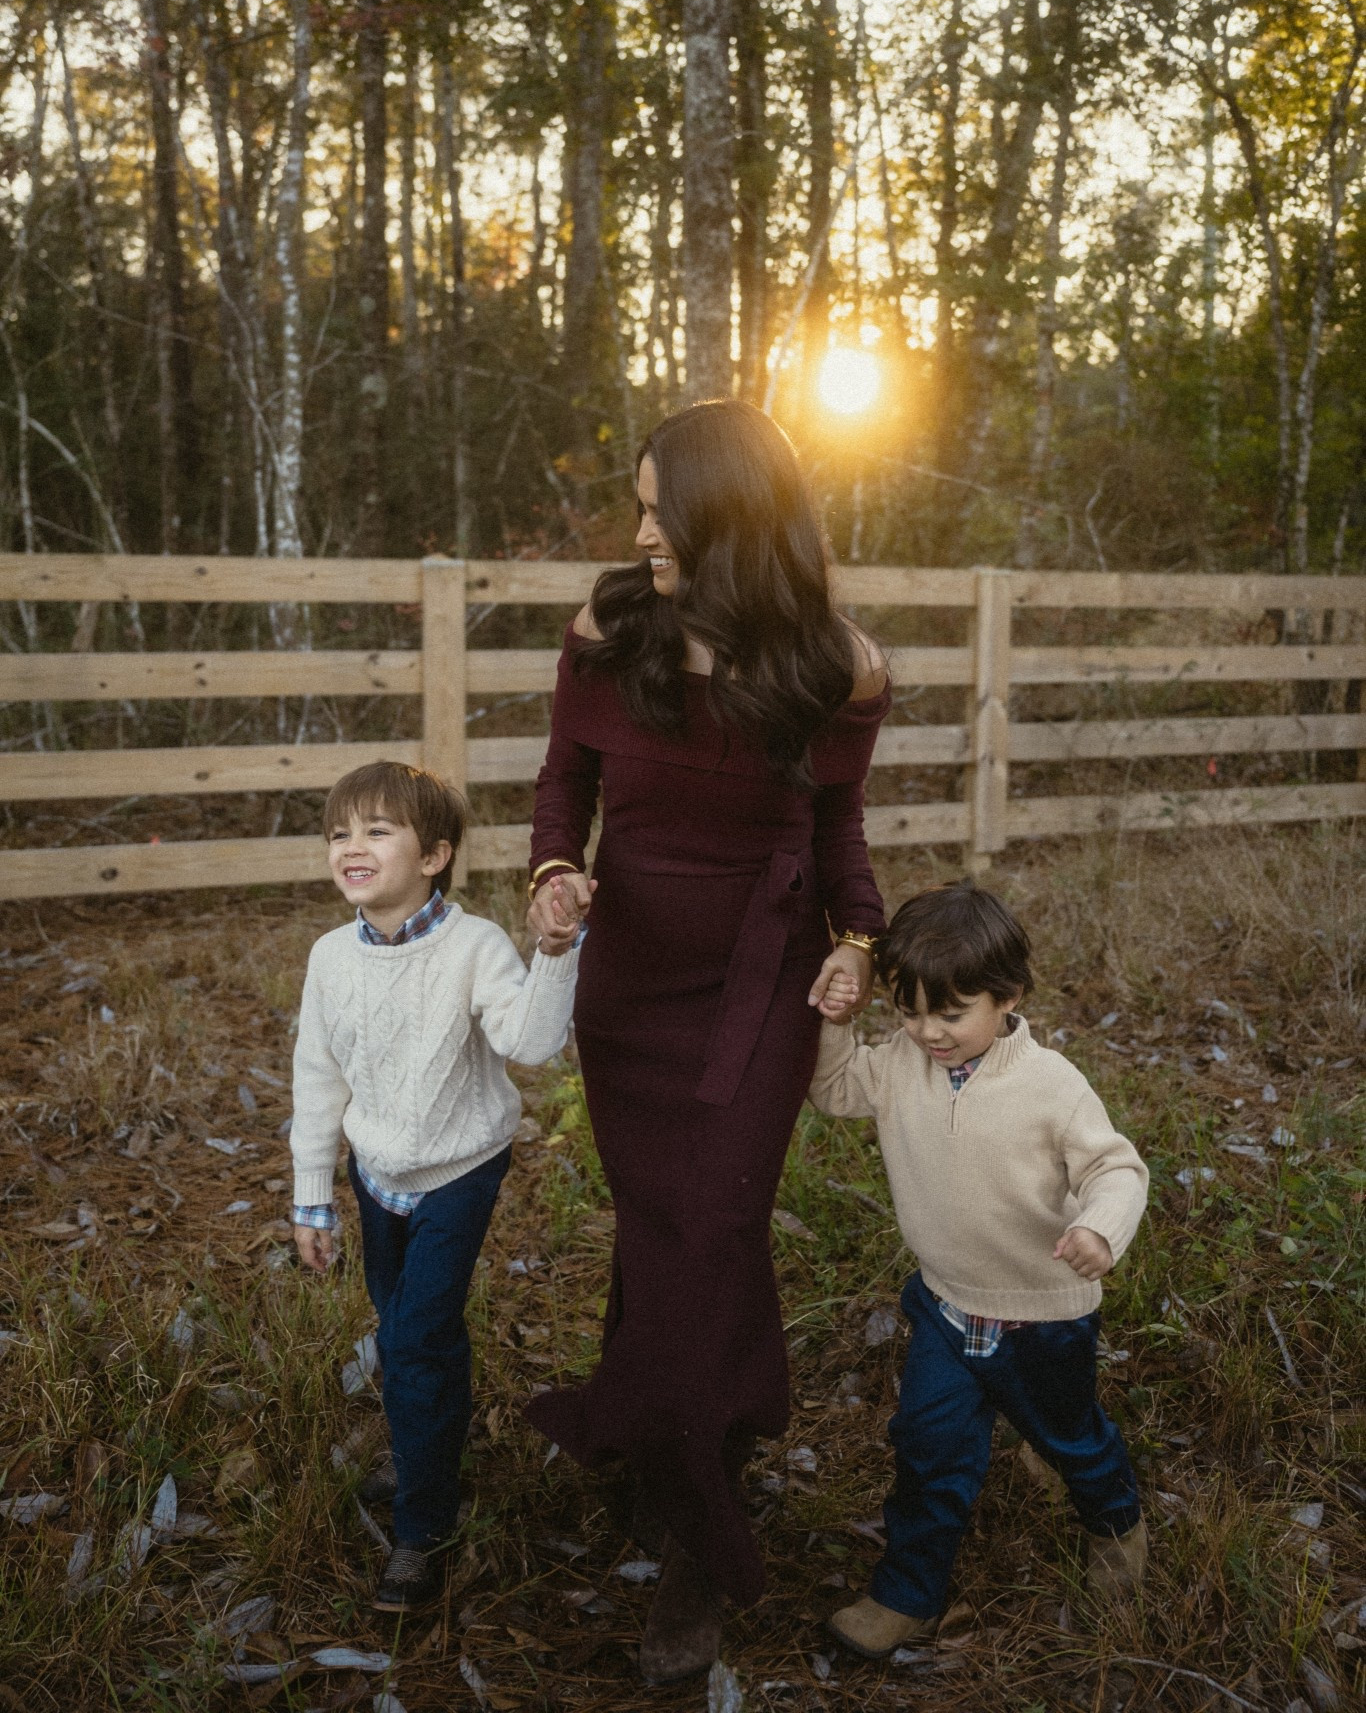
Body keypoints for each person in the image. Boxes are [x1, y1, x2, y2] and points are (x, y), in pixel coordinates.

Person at [525, 398, 890, 1684]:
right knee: (656, 1224)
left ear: (725, 516)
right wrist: (555, 871)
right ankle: (660, 1432)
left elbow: (839, 827)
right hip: (626, 985)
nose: (637, 531)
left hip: (760, 979)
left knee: (718, 1223)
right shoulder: (610, 624)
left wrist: (858, 939)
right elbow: (563, 781)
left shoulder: (836, 661)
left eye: (656, 508)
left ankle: (697, 1536)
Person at [808, 879, 1150, 1659]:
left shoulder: (1051, 1086)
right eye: (909, 1010)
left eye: (950, 1013)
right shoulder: (900, 1063)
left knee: (1071, 1438)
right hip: (945, 1307)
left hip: (1044, 1316)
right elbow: (831, 1090)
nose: (928, 1031)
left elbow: (1117, 1171)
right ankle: (907, 1592)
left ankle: (1115, 1523)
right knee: (927, 1448)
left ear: (1007, 998)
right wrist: (835, 1025)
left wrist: (1100, 1228)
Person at [290, 760, 580, 1612]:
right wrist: (313, 1193)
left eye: (378, 830)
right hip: (375, 1172)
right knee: (405, 1326)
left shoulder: (476, 946)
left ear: (436, 854)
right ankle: (428, 1451)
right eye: (340, 831)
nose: (354, 846)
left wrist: (555, 955)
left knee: (416, 1336)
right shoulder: (329, 957)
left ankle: (424, 1528)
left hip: (459, 1170)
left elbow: (532, 1043)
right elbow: (318, 1077)